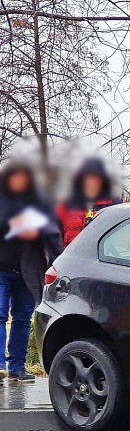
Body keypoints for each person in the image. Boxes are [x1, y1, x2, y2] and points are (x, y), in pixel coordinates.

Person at [0, 161, 63, 381]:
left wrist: (60, 263)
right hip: (1, 270)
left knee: (22, 318)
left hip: (28, 272)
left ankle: (16, 367)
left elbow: (53, 234)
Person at [57, 157, 122, 246]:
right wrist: (58, 257)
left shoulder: (115, 203)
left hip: (103, 257)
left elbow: (125, 234)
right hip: (70, 257)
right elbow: (55, 236)